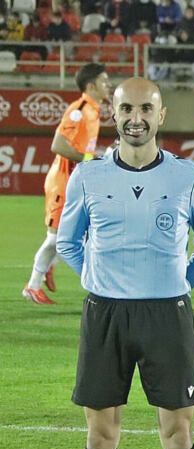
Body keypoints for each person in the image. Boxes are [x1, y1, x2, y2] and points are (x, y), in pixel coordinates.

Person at [52, 77, 194, 449]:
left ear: (162, 114)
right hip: (105, 317)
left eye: (146, 108)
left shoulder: (189, 176)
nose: (136, 117)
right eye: (126, 108)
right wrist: (100, 285)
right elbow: (68, 241)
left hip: (167, 317)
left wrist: (174, 288)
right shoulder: (88, 176)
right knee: (101, 435)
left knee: (178, 434)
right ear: (112, 112)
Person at [23, 63, 110, 306]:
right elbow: (58, 145)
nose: (109, 85)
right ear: (91, 85)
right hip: (63, 182)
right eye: (104, 81)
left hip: (76, 182)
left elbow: (82, 148)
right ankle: (33, 285)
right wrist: (91, 159)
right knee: (55, 239)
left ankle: (51, 264)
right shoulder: (79, 110)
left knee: (80, 233)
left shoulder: (93, 110)